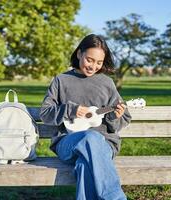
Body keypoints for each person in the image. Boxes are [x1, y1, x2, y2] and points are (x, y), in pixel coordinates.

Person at [40, 34, 131, 200]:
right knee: (90, 137)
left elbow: (123, 119)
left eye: (99, 62)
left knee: (84, 164)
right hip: (68, 143)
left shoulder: (106, 83)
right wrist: (70, 110)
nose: (93, 66)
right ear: (79, 53)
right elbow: (45, 113)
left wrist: (114, 116)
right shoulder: (61, 80)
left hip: (104, 145)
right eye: (90, 59)